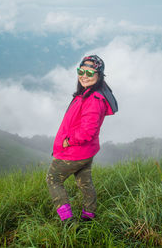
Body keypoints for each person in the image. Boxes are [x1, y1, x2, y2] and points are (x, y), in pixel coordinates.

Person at [46, 55, 118, 223]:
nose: (84, 75)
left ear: (99, 75)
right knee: (84, 182)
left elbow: (87, 132)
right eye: (81, 71)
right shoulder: (90, 93)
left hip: (75, 151)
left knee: (53, 180)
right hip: (86, 151)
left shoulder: (93, 99)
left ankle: (68, 223)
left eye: (90, 72)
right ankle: (89, 216)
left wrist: (68, 141)